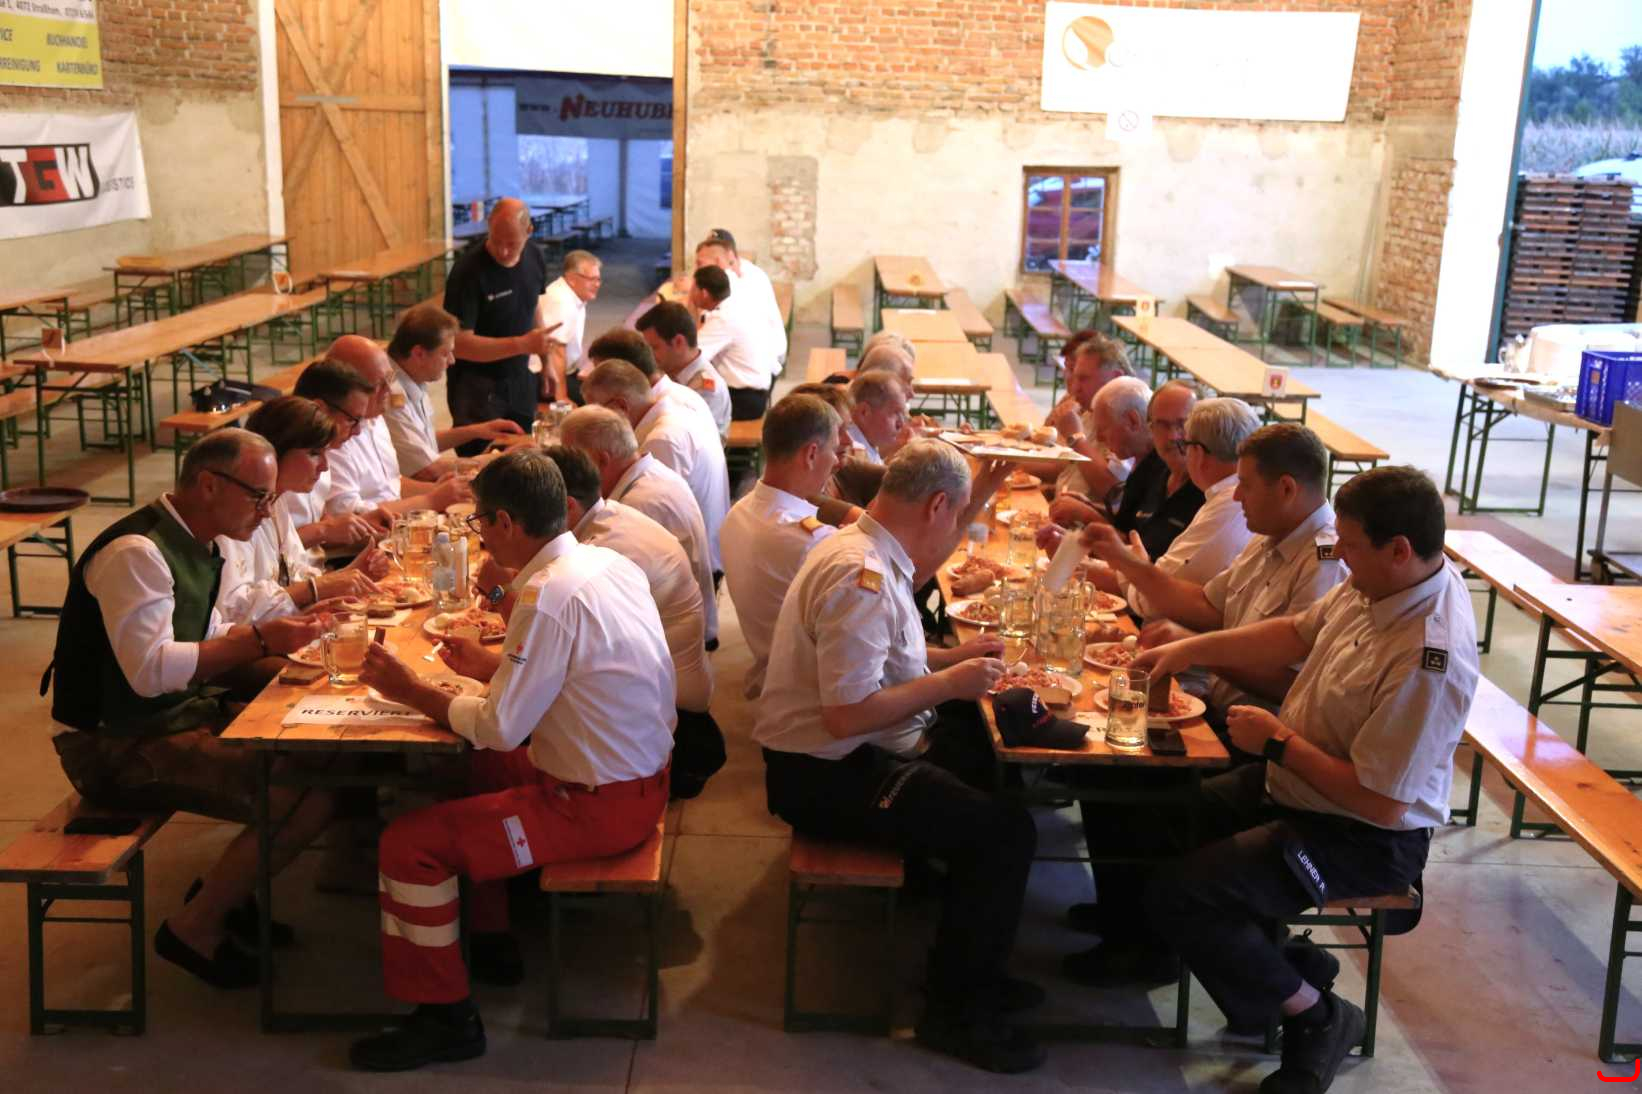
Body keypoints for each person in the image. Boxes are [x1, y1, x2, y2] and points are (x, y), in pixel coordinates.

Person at [1129, 465, 1477, 1094]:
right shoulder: (1381, 583)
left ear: (1399, 550)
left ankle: (1317, 1016)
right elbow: (1296, 631)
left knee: (1186, 893)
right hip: (1298, 788)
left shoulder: (1430, 656)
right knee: (1159, 818)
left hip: (1361, 835)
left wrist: (1279, 744)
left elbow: (1381, 802)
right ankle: (1284, 968)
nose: (1338, 556)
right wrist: (1192, 648)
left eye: (1350, 545)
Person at [350, 449, 674, 1072]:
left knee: (408, 845)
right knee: (478, 773)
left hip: (598, 806)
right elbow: (570, 672)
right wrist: (492, 666)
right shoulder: (604, 563)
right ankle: (493, 938)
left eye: (479, 521)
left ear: (504, 522)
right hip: (639, 776)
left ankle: (445, 1018)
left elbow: (501, 728)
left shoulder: (548, 596)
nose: (479, 533)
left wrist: (410, 690)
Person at [755, 440, 1041, 1074]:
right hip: (824, 772)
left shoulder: (863, 546)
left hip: (850, 749)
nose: (954, 523)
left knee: (992, 764)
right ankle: (955, 1012)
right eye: (957, 511)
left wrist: (952, 660)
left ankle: (972, 959)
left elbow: (888, 655)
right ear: (937, 505)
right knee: (1005, 834)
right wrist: (948, 684)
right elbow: (846, 713)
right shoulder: (861, 576)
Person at [1059, 424, 1348, 978]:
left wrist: (1198, 653)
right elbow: (1205, 606)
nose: (1236, 497)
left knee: (1137, 791)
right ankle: (1124, 915)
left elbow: (1293, 685)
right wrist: (1127, 563)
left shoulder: (1325, 560)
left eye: (1246, 485)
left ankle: (1148, 947)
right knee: (1101, 766)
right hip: (1217, 715)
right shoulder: (1270, 538)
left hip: (1262, 739)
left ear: (1287, 489)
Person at [47, 430, 333, 989]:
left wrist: (285, 636)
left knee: (311, 744)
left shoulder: (205, 542)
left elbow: (208, 629)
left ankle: (229, 893)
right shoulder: (137, 552)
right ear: (208, 484)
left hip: (170, 715)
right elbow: (150, 671)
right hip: (111, 744)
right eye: (259, 496)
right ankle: (194, 927)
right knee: (300, 791)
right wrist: (259, 640)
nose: (267, 511)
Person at [547, 444, 724, 800]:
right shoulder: (613, 514)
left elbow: (554, 649)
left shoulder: (604, 550)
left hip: (672, 718)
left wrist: (500, 595)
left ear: (568, 506)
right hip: (676, 687)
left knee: (527, 701)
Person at [216, 396, 388, 623]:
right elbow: (233, 612)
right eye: (314, 453)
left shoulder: (277, 504)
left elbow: (297, 577)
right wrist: (318, 587)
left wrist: (355, 572)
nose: (325, 466)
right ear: (276, 450)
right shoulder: (233, 515)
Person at [1084, 396, 1259, 619]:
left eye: (1185, 444)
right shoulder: (1225, 498)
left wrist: (1133, 564)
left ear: (1198, 453)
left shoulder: (1228, 504)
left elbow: (1151, 602)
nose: (1173, 438)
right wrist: (1135, 564)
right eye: (1162, 425)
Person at [559, 405, 718, 646]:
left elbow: (591, 604)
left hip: (669, 648)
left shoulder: (639, 503)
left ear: (601, 459)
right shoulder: (649, 475)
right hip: (665, 629)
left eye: (572, 459)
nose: (564, 471)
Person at [719, 394, 841, 699]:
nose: (837, 461)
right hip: (817, 688)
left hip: (772, 667)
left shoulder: (737, 513)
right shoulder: (812, 540)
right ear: (811, 454)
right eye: (834, 450)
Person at [581, 359, 730, 580]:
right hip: (704, 547)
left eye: (595, 411)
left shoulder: (662, 439)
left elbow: (636, 529)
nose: (592, 421)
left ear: (620, 407)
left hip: (699, 566)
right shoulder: (674, 409)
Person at [442, 197, 560, 453]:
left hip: (519, 378)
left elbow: (532, 305)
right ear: (489, 226)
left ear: (529, 231)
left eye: (512, 244)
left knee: (524, 453)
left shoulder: (534, 256)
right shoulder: (467, 272)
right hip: (475, 386)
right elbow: (459, 344)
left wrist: (547, 361)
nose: (503, 251)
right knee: (480, 460)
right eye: (496, 241)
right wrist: (522, 344)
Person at [1042, 379, 1203, 562]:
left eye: (1183, 424)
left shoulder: (1204, 489)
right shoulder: (1156, 471)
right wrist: (1090, 511)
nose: (1173, 435)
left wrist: (1088, 517)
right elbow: (1128, 529)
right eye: (1162, 425)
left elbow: (1142, 562)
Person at [312, 343, 472, 519]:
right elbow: (345, 514)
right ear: (347, 385)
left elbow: (392, 484)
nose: (390, 389)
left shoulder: (376, 419)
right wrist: (431, 500)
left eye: (391, 378)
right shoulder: (336, 434)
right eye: (379, 384)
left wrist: (437, 490)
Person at [383, 303, 525, 479]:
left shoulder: (413, 377)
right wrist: (501, 459)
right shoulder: (390, 394)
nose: (452, 360)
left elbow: (423, 444)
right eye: (445, 353)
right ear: (419, 353)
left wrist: (477, 430)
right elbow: (427, 469)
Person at [1039, 332, 1135, 503]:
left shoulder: (1129, 420)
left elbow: (1112, 492)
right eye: (1074, 377)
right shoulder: (1090, 411)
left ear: (1115, 378)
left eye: (1083, 379)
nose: (1075, 388)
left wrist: (1075, 438)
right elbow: (1064, 467)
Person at [585, 326, 715, 433]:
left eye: (602, 372)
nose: (595, 379)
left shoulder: (661, 421)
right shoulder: (677, 393)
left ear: (624, 372)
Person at [691, 264, 777, 420]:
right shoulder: (738, 306)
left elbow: (692, 356)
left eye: (693, 288)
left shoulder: (723, 319)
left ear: (704, 293)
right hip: (756, 393)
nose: (690, 293)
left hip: (744, 399)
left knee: (684, 407)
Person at [635, 300, 731, 437]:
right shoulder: (671, 371)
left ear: (679, 342)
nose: (649, 355)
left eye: (654, 347)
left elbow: (685, 437)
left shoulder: (705, 388)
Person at [697, 228, 787, 368]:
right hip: (763, 355)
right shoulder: (741, 272)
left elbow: (707, 323)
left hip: (770, 357)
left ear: (727, 257)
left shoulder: (742, 282)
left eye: (701, 263)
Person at [531, 248, 601, 403]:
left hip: (564, 370)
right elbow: (555, 351)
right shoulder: (561, 301)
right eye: (591, 279)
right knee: (595, 401)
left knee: (603, 389)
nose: (597, 284)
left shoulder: (573, 296)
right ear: (571, 278)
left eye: (598, 279)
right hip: (542, 376)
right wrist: (561, 397)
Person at [843, 370, 909, 466]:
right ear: (864, 412)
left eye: (902, 414)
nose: (901, 424)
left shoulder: (869, 445)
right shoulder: (850, 452)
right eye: (895, 413)